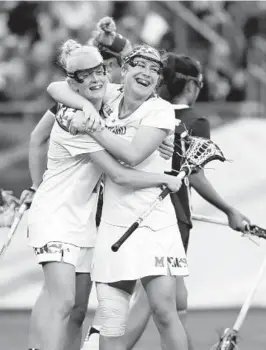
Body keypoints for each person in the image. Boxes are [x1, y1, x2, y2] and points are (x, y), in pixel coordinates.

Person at [80, 52, 248, 350]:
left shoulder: (160, 111)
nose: (146, 72)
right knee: (114, 317)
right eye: (139, 65)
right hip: (114, 223)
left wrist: (92, 129)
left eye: (154, 69)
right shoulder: (107, 102)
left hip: (155, 224)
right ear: (124, 70)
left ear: (160, 80)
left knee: (163, 310)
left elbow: (130, 159)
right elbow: (62, 87)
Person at [24, 23, 173, 350]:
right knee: (60, 302)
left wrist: (167, 136)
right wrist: (165, 179)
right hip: (56, 217)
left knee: (76, 308)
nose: (96, 79)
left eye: (100, 72)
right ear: (73, 83)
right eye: (86, 76)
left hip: (84, 221)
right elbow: (121, 172)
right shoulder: (73, 117)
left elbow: (139, 68)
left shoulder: (105, 97)